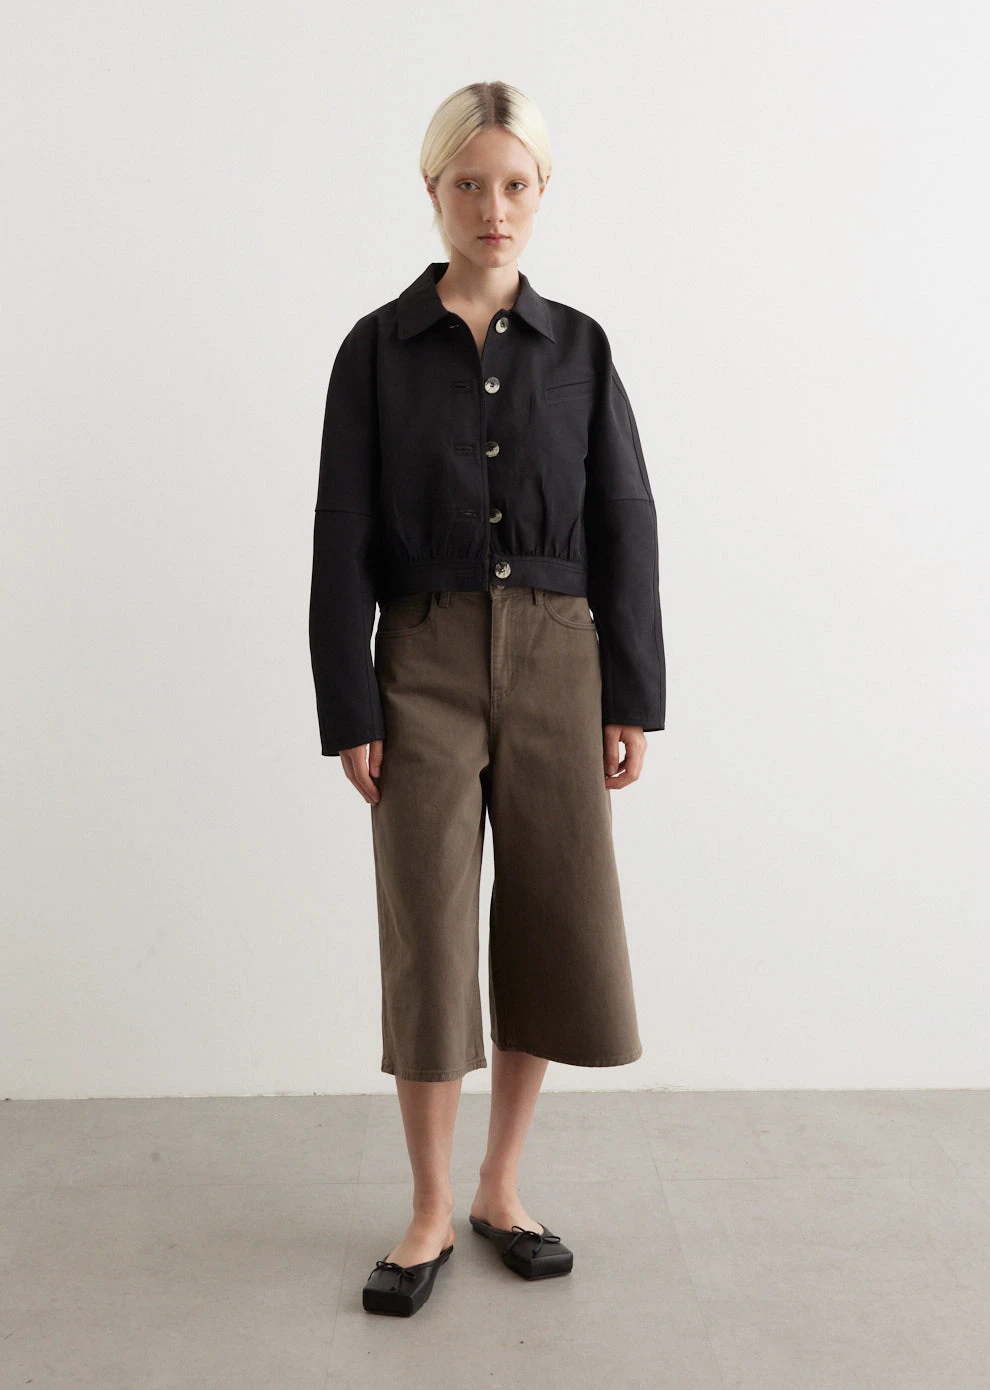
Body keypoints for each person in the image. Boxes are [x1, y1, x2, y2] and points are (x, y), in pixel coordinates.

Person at [309, 80, 666, 1317]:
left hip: (562, 657)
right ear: (434, 190)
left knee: (551, 919)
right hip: (421, 660)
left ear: (542, 190)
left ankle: (502, 1187)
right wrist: (350, 702)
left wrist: (633, 690)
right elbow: (340, 531)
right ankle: (425, 1207)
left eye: (515, 184)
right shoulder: (375, 349)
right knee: (428, 926)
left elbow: (624, 516)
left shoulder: (581, 348)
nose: (493, 207)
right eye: (470, 184)